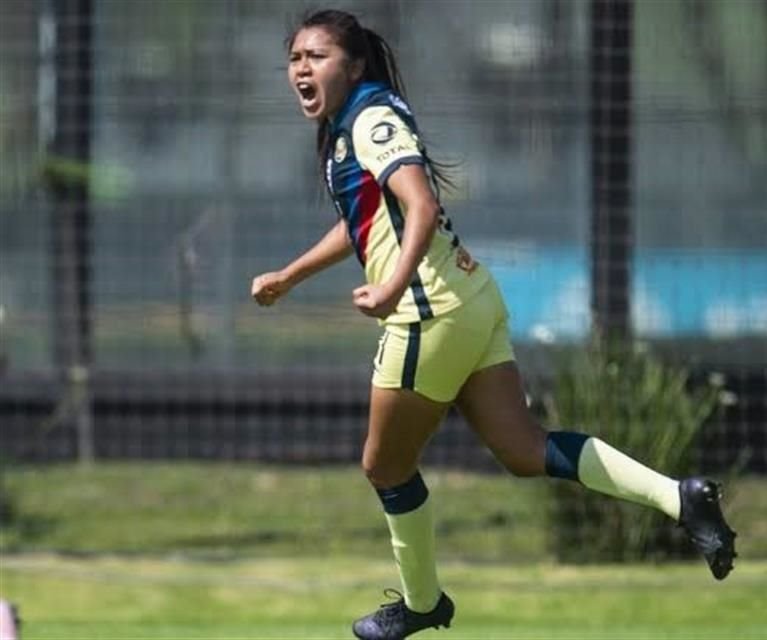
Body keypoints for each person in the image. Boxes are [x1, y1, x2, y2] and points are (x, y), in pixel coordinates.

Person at [251, 9, 737, 640]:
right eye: (294, 59)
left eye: (316, 57)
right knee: (525, 451)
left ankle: (422, 602)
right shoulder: (357, 123)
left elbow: (422, 204)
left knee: (384, 466)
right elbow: (364, 223)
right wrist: (291, 276)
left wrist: (393, 286)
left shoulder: (369, 120)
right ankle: (682, 497)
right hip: (471, 300)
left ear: (356, 64)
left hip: (429, 310)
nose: (301, 69)